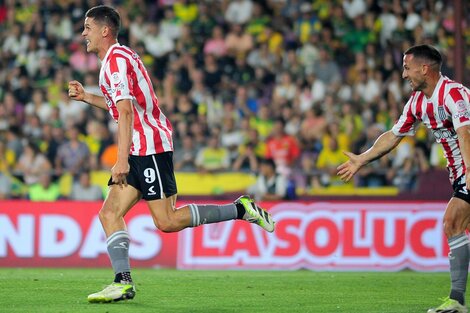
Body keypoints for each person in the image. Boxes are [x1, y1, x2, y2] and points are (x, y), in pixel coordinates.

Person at [68, 5, 274, 304]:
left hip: (149, 146)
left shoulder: (115, 62)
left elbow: (126, 114)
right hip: (139, 145)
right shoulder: (116, 60)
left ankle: (240, 209)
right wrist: (87, 97)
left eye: (87, 27)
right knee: (109, 213)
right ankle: (122, 282)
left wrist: (122, 159)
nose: (83, 32)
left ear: (104, 30)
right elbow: (121, 107)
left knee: (166, 221)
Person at [337, 44, 470, 313]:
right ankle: (457, 300)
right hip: (461, 175)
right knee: (453, 224)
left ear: (425, 68)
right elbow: (393, 136)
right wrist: (363, 158)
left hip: (469, 170)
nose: (403, 74)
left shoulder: (453, 94)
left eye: (407, 68)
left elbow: (466, 134)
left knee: (452, 221)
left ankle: (457, 300)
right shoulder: (417, 103)